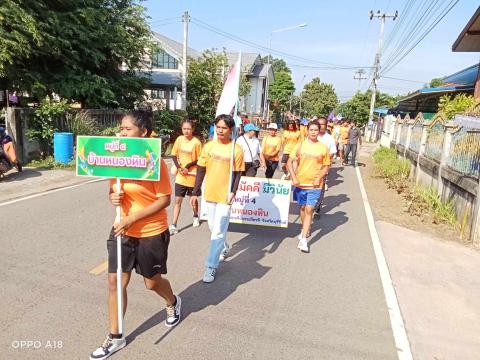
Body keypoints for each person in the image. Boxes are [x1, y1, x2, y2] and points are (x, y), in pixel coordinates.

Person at [90, 111, 181, 360]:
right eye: (121, 128)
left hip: (151, 232)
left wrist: (133, 218)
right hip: (122, 229)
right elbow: (114, 191)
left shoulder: (155, 162)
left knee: (152, 282)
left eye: (128, 129)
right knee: (115, 282)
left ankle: (172, 300)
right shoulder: (116, 158)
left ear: (144, 132)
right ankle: (116, 336)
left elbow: (164, 199)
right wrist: (113, 197)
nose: (122, 133)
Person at [191, 114, 244, 283]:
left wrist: (233, 192)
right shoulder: (208, 147)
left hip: (225, 197)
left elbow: (237, 174)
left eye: (224, 128)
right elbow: (200, 169)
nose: (220, 130)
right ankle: (224, 245)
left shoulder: (236, 149)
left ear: (231, 130)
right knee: (213, 228)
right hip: (210, 194)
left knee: (218, 231)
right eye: (218, 127)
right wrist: (195, 192)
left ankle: (211, 266)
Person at [287, 120, 330, 253]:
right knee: (302, 207)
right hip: (300, 183)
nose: (313, 132)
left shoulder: (323, 147)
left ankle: (303, 240)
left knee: (310, 209)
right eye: (311, 130)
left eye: (316, 130)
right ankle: (304, 228)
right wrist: (294, 177)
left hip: (315, 184)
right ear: (307, 130)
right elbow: (289, 162)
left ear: (319, 131)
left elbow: (326, 166)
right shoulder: (300, 145)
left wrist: (319, 178)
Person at [169, 119, 203, 235]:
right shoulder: (179, 139)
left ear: (192, 129)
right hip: (181, 176)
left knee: (193, 200)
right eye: (184, 129)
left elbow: (200, 159)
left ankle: (195, 216)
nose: (186, 131)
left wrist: (188, 166)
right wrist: (179, 168)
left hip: (192, 175)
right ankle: (174, 224)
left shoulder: (196, 143)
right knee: (177, 200)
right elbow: (173, 155)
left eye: (189, 129)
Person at [313, 118, 337, 216]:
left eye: (323, 124)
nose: (321, 126)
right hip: (310, 167)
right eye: (319, 124)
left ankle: (317, 207)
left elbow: (332, 152)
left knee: (320, 187)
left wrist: (324, 161)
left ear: (326, 125)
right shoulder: (313, 136)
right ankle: (309, 204)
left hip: (323, 167)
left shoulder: (329, 138)